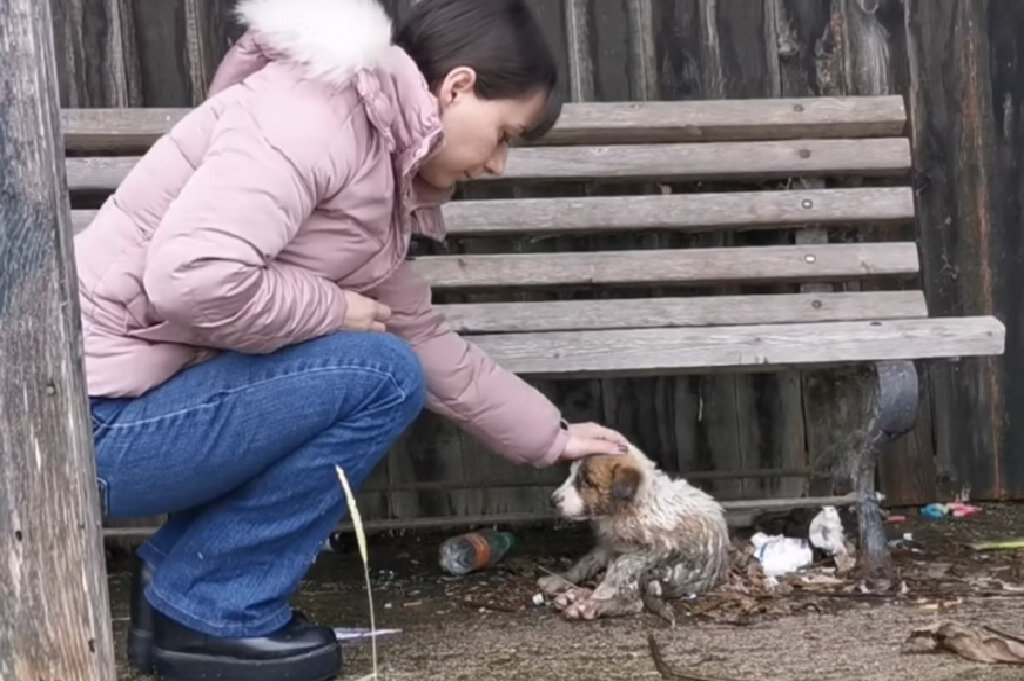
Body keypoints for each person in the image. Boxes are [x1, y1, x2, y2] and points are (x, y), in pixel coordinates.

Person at [76, 1, 629, 680]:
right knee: (380, 374)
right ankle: (211, 606)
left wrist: (552, 435)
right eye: (504, 133)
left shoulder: (373, 163)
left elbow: (419, 334)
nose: (499, 163)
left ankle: (191, 600)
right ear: (457, 88)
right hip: (78, 436)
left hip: (120, 419)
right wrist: (331, 307)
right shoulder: (312, 121)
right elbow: (193, 277)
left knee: (387, 362)